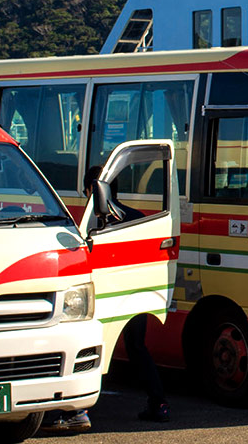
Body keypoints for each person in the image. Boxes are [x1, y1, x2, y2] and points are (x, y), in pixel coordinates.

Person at [87, 166, 171, 423]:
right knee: (136, 346)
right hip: (134, 295)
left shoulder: (95, 223)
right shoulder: (137, 218)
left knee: (90, 349)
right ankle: (159, 403)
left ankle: (78, 408)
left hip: (104, 297)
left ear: (94, 190)